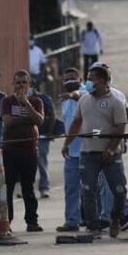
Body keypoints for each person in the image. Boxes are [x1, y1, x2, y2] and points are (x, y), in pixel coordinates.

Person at [64, 65, 128, 237]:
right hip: (88, 152)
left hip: (110, 154)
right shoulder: (84, 100)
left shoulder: (116, 101)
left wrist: (110, 149)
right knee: (88, 190)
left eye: (91, 79)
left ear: (101, 81)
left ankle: (115, 218)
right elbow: (76, 123)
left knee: (119, 190)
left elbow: (120, 127)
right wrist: (67, 143)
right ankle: (93, 225)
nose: (88, 83)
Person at [0, 69, 44, 232]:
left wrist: (26, 104)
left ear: (29, 84)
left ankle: (32, 221)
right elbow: (8, 122)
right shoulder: (7, 101)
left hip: (29, 151)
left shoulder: (36, 101)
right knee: (8, 188)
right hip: (10, 151)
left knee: (28, 188)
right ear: (13, 84)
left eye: (24, 82)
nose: (21, 85)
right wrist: (27, 119)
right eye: (18, 82)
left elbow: (39, 121)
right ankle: (7, 221)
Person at [56, 68, 86, 232]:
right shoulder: (65, 101)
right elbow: (68, 124)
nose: (69, 82)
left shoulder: (86, 93)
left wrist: (73, 94)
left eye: (73, 79)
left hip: (87, 150)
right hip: (71, 153)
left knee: (92, 188)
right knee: (71, 188)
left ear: (80, 79)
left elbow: (80, 95)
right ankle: (72, 221)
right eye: (66, 79)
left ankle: (97, 219)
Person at [35, 78, 57, 199]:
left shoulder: (44, 99)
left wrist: (50, 132)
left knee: (41, 162)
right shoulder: (20, 99)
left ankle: (44, 187)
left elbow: (52, 115)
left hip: (42, 136)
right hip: (28, 137)